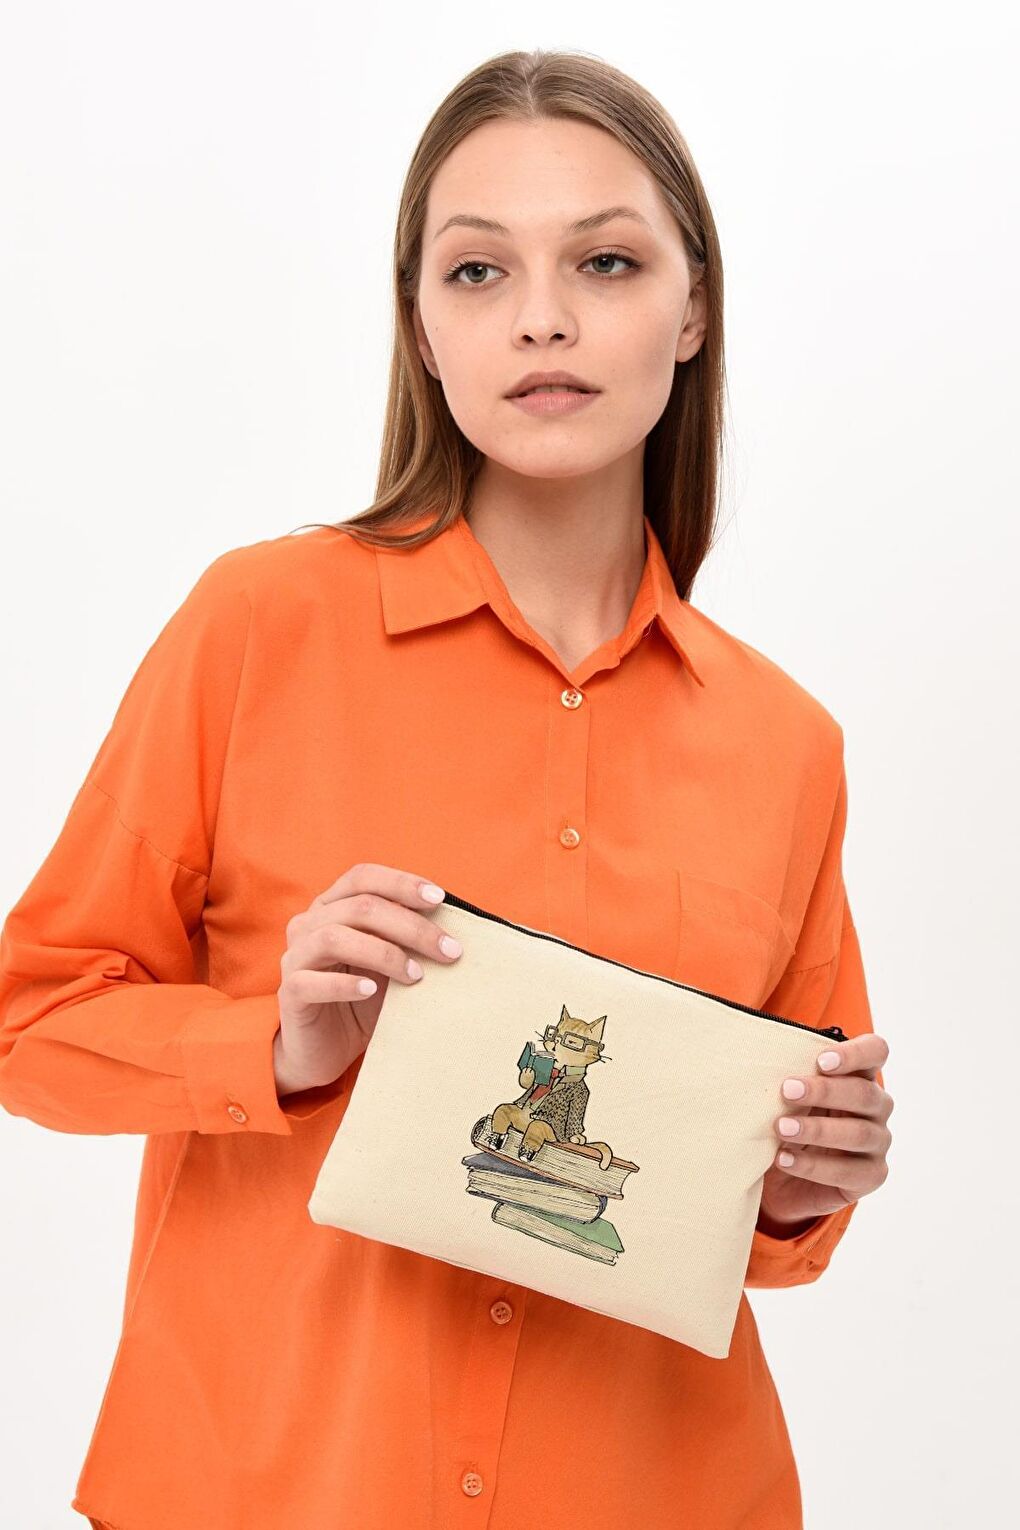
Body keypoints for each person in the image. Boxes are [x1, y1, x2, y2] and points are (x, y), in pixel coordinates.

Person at [0, 47, 893, 1530]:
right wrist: (274, 1041)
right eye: (479, 271)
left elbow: (754, 1222)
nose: (542, 316)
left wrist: (804, 1182)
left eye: (606, 261)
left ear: (694, 310)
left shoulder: (787, 743)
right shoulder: (258, 628)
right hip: (269, 1493)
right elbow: (30, 1019)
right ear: (421, 326)